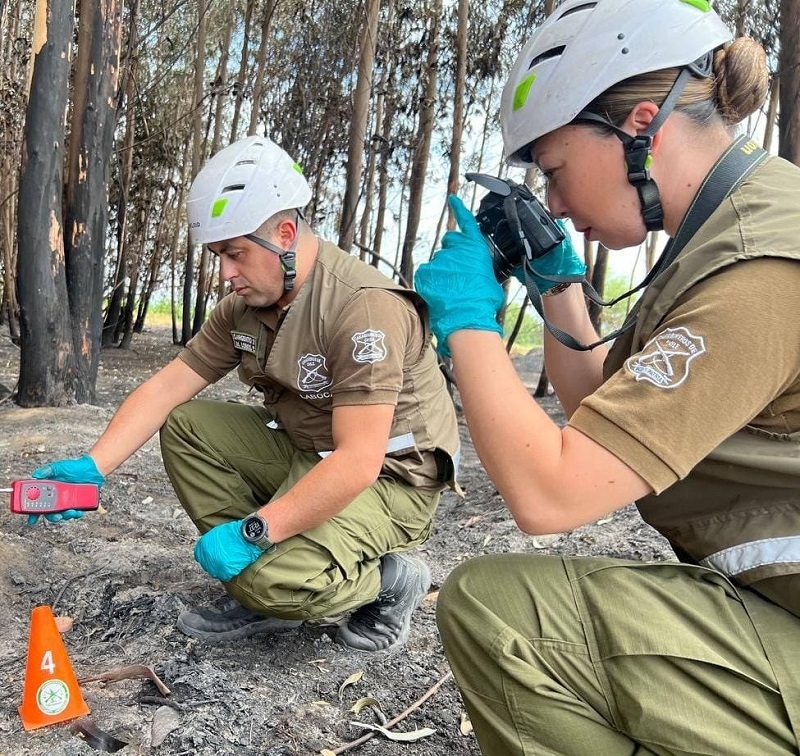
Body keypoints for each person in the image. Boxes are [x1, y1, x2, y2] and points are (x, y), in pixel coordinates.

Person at [415, 0, 800, 752]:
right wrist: (558, 283)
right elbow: (603, 410)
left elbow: (551, 492)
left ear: (638, 125)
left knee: (498, 611)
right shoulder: (728, 230)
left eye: (554, 168)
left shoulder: (760, 267)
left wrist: (466, 321)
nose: (552, 200)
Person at [31, 134, 461, 653]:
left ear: (284, 233)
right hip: (308, 452)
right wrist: (94, 466)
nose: (225, 273)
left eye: (235, 254)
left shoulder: (362, 308)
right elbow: (169, 386)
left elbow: (357, 462)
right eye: (218, 255)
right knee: (188, 424)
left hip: (390, 481)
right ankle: (264, 573)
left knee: (271, 581)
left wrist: (254, 532)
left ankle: (392, 580)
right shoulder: (247, 305)